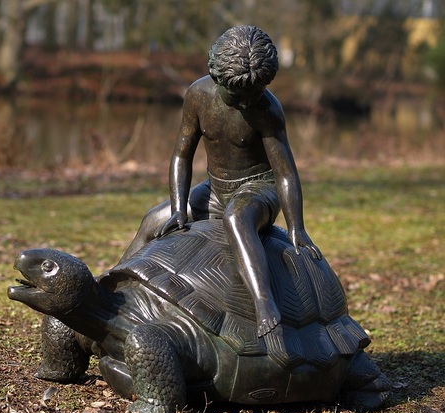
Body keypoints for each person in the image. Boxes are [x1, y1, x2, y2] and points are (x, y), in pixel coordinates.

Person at [120, 25, 322, 337]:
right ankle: (114, 284)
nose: (244, 104)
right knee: (153, 219)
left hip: (259, 188)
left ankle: (263, 302)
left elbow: (284, 173)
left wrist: (297, 227)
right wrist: (177, 208)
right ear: (216, 76)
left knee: (237, 218)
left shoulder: (267, 109)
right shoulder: (199, 95)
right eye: (236, 96)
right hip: (215, 188)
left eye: (251, 97)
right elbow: (181, 155)